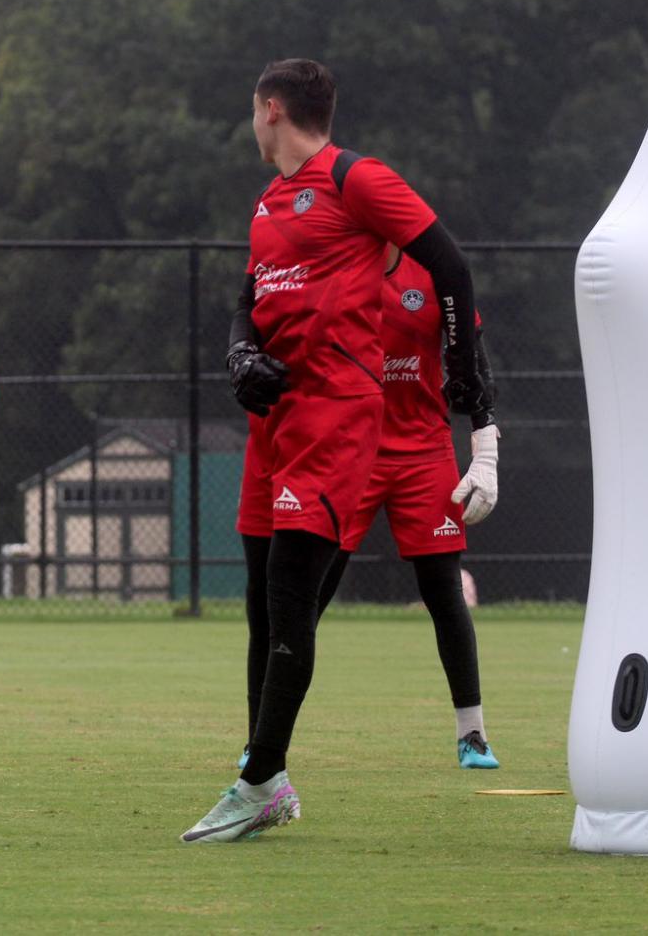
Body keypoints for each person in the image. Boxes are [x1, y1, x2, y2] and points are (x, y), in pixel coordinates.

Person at [182, 59, 490, 843]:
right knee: (262, 607)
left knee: (293, 596)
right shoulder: (269, 200)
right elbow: (245, 304)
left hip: (334, 418)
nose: (251, 123)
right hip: (273, 424)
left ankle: (258, 786)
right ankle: (266, 769)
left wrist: (468, 383)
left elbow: (451, 265)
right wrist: (239, 358)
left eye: (253, 111)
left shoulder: (356, 178)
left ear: (271, 109)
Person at [312, 243, 503, 769]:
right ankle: (263, 740)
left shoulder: (434, 274)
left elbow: (474, 357)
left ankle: (473, 735)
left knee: (444, 593)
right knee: (311, 591)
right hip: (352, 449)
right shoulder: (336, 270)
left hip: (423, 451)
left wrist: (485, 445)